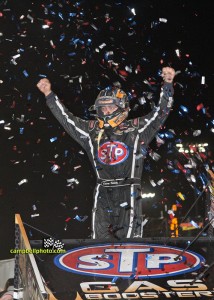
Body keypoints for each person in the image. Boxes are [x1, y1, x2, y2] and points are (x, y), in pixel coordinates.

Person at [37, 67, 175, 239]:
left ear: (121, 107)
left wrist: (167, 85)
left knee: (130, 243)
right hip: (102, 191)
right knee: (98, 242)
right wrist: (49, 95)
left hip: (129, 190)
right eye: (103, 108)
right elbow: (67, 119)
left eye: (110, 107)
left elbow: (160, 113)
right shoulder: (91, 131)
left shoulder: (136, 128)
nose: (106, 111)